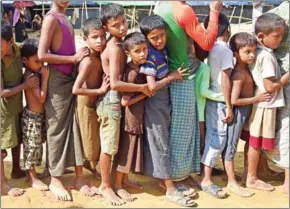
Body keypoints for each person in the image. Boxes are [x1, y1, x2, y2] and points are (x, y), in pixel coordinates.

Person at [154, 1, 222, 186]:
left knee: (180, 129)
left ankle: (181, 174)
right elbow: (207, 43)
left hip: (168, 72)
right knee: (183, 131)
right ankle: (175, 178)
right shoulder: (183, 10)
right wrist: (214, 12)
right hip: (182, 74)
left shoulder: (161, 6)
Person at [139, 15, 197, 207]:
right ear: (146, 38)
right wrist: (173, 76)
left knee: (163, 141)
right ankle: (170, 188)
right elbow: (152, 87)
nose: (159, 40)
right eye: (154, 38)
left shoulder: (162, 51)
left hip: (163, 103)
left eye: (162, 35)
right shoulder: (150, 58)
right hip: (155, 104)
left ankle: (165, 181)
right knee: (160, 143)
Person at [98, 3, 153, 206]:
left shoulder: (121, 44)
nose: (122, 27)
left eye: (124, 22)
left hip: (116, 100)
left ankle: (122, 180)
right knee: (110, 146)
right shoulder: (114, 48)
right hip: (111, 100)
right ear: (106, 28)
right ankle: (106, 185)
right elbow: (114, 82)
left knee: (117, 144)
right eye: (116, 25)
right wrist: (141, 89)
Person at [38, 0, 91, 201]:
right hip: (58, 79)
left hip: (69, 78)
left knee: (73, 126)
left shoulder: (65, 18)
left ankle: (78, 177)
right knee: (57, 128)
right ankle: (55, 179)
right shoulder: (51, 19)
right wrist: (73, 59)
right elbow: (42, 54)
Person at [246, 13, 289, 192]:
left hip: (264, 104)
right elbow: (270, 87)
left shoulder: (261, 52)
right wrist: (287, 77)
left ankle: (254, 174)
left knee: (256, 141)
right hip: (267, 105)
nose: (280, 40)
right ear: (261, 36)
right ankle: (252, 177)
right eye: (277, 36)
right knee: (256, 142)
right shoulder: (267, 57)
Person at [228, 32, 272, 197]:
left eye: (254, 50)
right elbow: (234, 100)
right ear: (235, 54)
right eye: (247, 52)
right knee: (231, 146)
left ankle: (244, 174)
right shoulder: (239, 74)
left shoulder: (245, 69)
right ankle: (232, 180)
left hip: (246, 112)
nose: (252, 55)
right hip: (239, 112)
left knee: (246, 141)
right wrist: (256, 99)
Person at [1, 20, 38, 196]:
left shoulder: (18, 51)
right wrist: (25, 86)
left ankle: (16, 169)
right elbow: (1, 93)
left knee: (16, 140)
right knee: (1, 147)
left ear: (10, 41)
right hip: (3, 111)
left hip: (15, 107)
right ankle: (2, 185)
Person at [200, 13, 233, 199]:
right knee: (217, 139)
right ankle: (206, 179)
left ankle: (206, 172)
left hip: (211, 98)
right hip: (220, 99)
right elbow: (226, 78)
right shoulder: (225, 51)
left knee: (212, 136)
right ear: (228, 30)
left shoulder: (210, 48)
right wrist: (228, 105)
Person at [112, 32, 148, 202]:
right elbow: (125, 102)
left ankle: (125, 180)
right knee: (126, 151)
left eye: (144, 49)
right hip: (130, 118)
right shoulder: (132, 73)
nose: (142, 54)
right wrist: (145, 92)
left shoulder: (137, 68)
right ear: (128, 53)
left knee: (130, 149)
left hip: (135, 117)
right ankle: (118, 185)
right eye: (138, 51)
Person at [72, 17, 109, 181]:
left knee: (96, 139)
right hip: (85, 104)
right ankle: (88, 166)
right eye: (95, 37)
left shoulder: (100, 56)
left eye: (102, 36)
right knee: (89, 144)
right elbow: (76, 89)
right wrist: (100, 90)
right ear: (85, 39)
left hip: (95, 104)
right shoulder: (87, 61)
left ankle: (92, 166)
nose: (100, 41)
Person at [265, 0, 290, 195]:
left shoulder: (278, 12)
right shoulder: (280, 13)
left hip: (280, 78)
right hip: (280, 80)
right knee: (284, 126)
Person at [20, 39, 49, 191]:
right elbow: (41, 98)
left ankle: (36, 173)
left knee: (37, 146)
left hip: (38, 116)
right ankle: (31, 178)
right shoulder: (31, 77)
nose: (41, 65)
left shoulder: (34, 72)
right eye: (37, 61)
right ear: (25, 60)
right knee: (31, 148)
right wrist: (45, 77)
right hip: (32, 117)